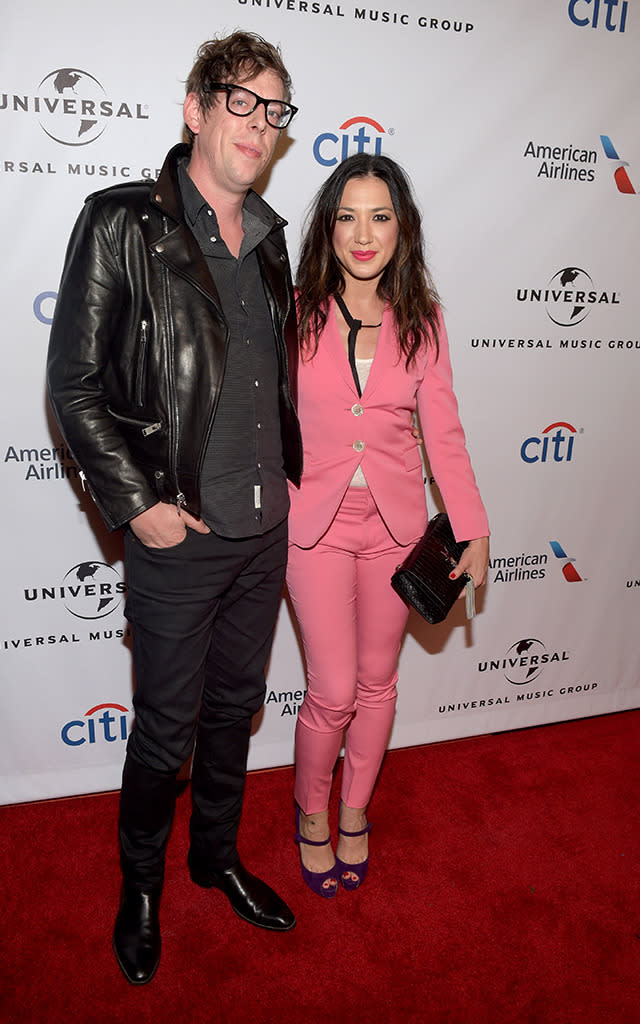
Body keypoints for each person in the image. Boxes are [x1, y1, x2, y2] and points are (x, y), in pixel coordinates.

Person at [47, 31, 302, 984]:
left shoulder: (275, 241)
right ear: (195, 108)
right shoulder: (122, 223)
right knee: (164, 726)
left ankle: (217, 857)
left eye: (275, 110)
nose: (260, 125)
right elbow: (72, 386)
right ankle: (143, 884)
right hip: (178, 533)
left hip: (264, 528)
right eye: (242, 102)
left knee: (234, 711)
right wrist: (137, 504)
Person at [287, 153, 489, 897]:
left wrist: (472, 527)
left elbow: (446, 438)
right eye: (347, 216)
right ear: (328, 227)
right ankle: (310, 811)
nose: (363, 234)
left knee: (378, 682)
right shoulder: (295, 310)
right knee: (332, 687)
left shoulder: (424, 322)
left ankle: (353, 811)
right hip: (314, 524)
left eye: (380, 216)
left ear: (402, 229)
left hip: (397, 527)